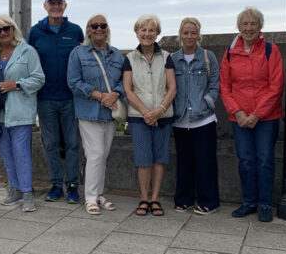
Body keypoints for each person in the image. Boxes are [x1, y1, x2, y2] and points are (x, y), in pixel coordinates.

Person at [220, 8, 284, 222]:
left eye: (253, 24)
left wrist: (256, 114)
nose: (249, 28)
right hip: (239, 116)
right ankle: (248, 202)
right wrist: (237, 112)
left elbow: (276, 86)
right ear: (239, 27)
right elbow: (225, 86)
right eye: (245, 24)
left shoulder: (270, 50)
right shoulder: (230, 52)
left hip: (266, 117)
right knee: (246, 160)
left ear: (260, 27)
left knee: (265, 160)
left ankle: (265, 203)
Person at [28, 0, 84, 203]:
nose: (55, 7)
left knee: (72, 143)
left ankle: (71, 185)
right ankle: (55, 185)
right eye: (51, 3)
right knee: (50, 143)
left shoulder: (75, 31)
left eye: (59, 3)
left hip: (70, 97)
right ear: (45, 6)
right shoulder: (35, 32)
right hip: (45, 98)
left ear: (65, 6)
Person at [67, 14, 124, 215]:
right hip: (88, 111)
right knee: (95, 153)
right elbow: (73, 82)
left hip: (109, 113)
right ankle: (90, 197)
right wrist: (100, 96)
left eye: (103, 25)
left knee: (103, 154)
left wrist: (116, 93)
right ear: (89, 29)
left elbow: (124, 82)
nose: (99, 28)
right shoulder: (78, 53)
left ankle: (99, 193)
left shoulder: (117, 55)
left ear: (107, 29)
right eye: (95, 25)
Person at [0, 14, 45, 212]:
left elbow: (39, 78)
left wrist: (17, 84)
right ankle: (15, 188)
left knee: (21, 152)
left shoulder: (27, 51)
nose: (3, 32)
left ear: (13, 29)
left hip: (21, 111)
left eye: (6, 28)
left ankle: (28, 192)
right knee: (6, 153)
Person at [123, 15, 176, 216]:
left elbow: (172, 88)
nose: (147, 34)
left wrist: (159, 111)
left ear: (157, 33)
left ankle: (155, 199)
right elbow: (128, 90)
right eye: (143, 30)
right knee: (143, 158)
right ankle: (143, 198)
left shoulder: (166, 57)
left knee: (159, 158)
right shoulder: (129, 59)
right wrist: (146, 113)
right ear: (136, 33)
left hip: (163, 115)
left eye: (151, 30)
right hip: (139, 117)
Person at [171, 17, 221, 215]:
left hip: (203, 118)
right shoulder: (173, 59)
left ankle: (209, 200)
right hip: (180, 118)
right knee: (183, 162)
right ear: (180, 35)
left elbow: (215, 85)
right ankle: (184, 199)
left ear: (199, 35)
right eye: (186, 33)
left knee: (205, 162)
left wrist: (206, 102)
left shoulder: (208, 57)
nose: (189, 36)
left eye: (193, 32)